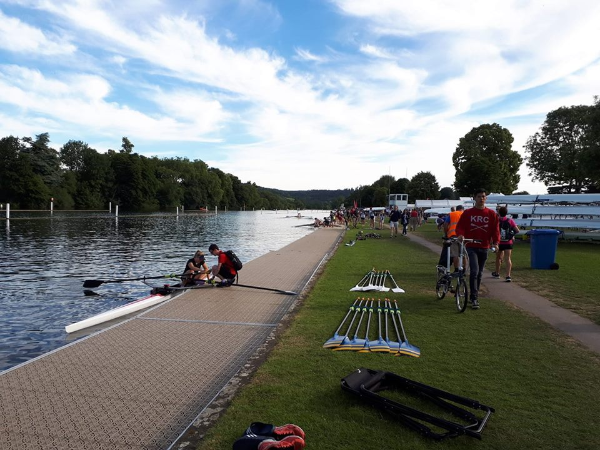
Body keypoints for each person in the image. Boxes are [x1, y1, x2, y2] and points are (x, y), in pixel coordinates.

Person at [455, 189, 500, 309]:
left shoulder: (491, 214)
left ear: (486, 198)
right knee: (474, 271)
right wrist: (460, 234)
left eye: (483, 196)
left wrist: (496, 243)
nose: (481, 199)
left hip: (484, 246)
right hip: (471, 246)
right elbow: (460, 227)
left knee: (480, 273)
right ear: (474, 198)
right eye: (479, 196)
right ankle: (474, 297)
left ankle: (473, 295)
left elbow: (496, 230)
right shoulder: (468, 213)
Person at [493, 206, 520, 282]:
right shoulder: (510, 220)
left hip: (499, 242)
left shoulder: (496, 221)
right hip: (508, 242)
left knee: (498, 258)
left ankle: (497, 273)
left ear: (498, 212)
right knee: (507, 258)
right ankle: (508, 275)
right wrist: (511, 234)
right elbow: (517, 230)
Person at [443, 205, 465, 269]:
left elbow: (445, 224)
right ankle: (464, 269)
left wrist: (446, 234)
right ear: (462, 209)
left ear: (456, 209)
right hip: (463, 236)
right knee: (463, 254)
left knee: (455, 254)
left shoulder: (451, 214)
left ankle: (456, 270)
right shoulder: (465, 214)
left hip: (453, 236)